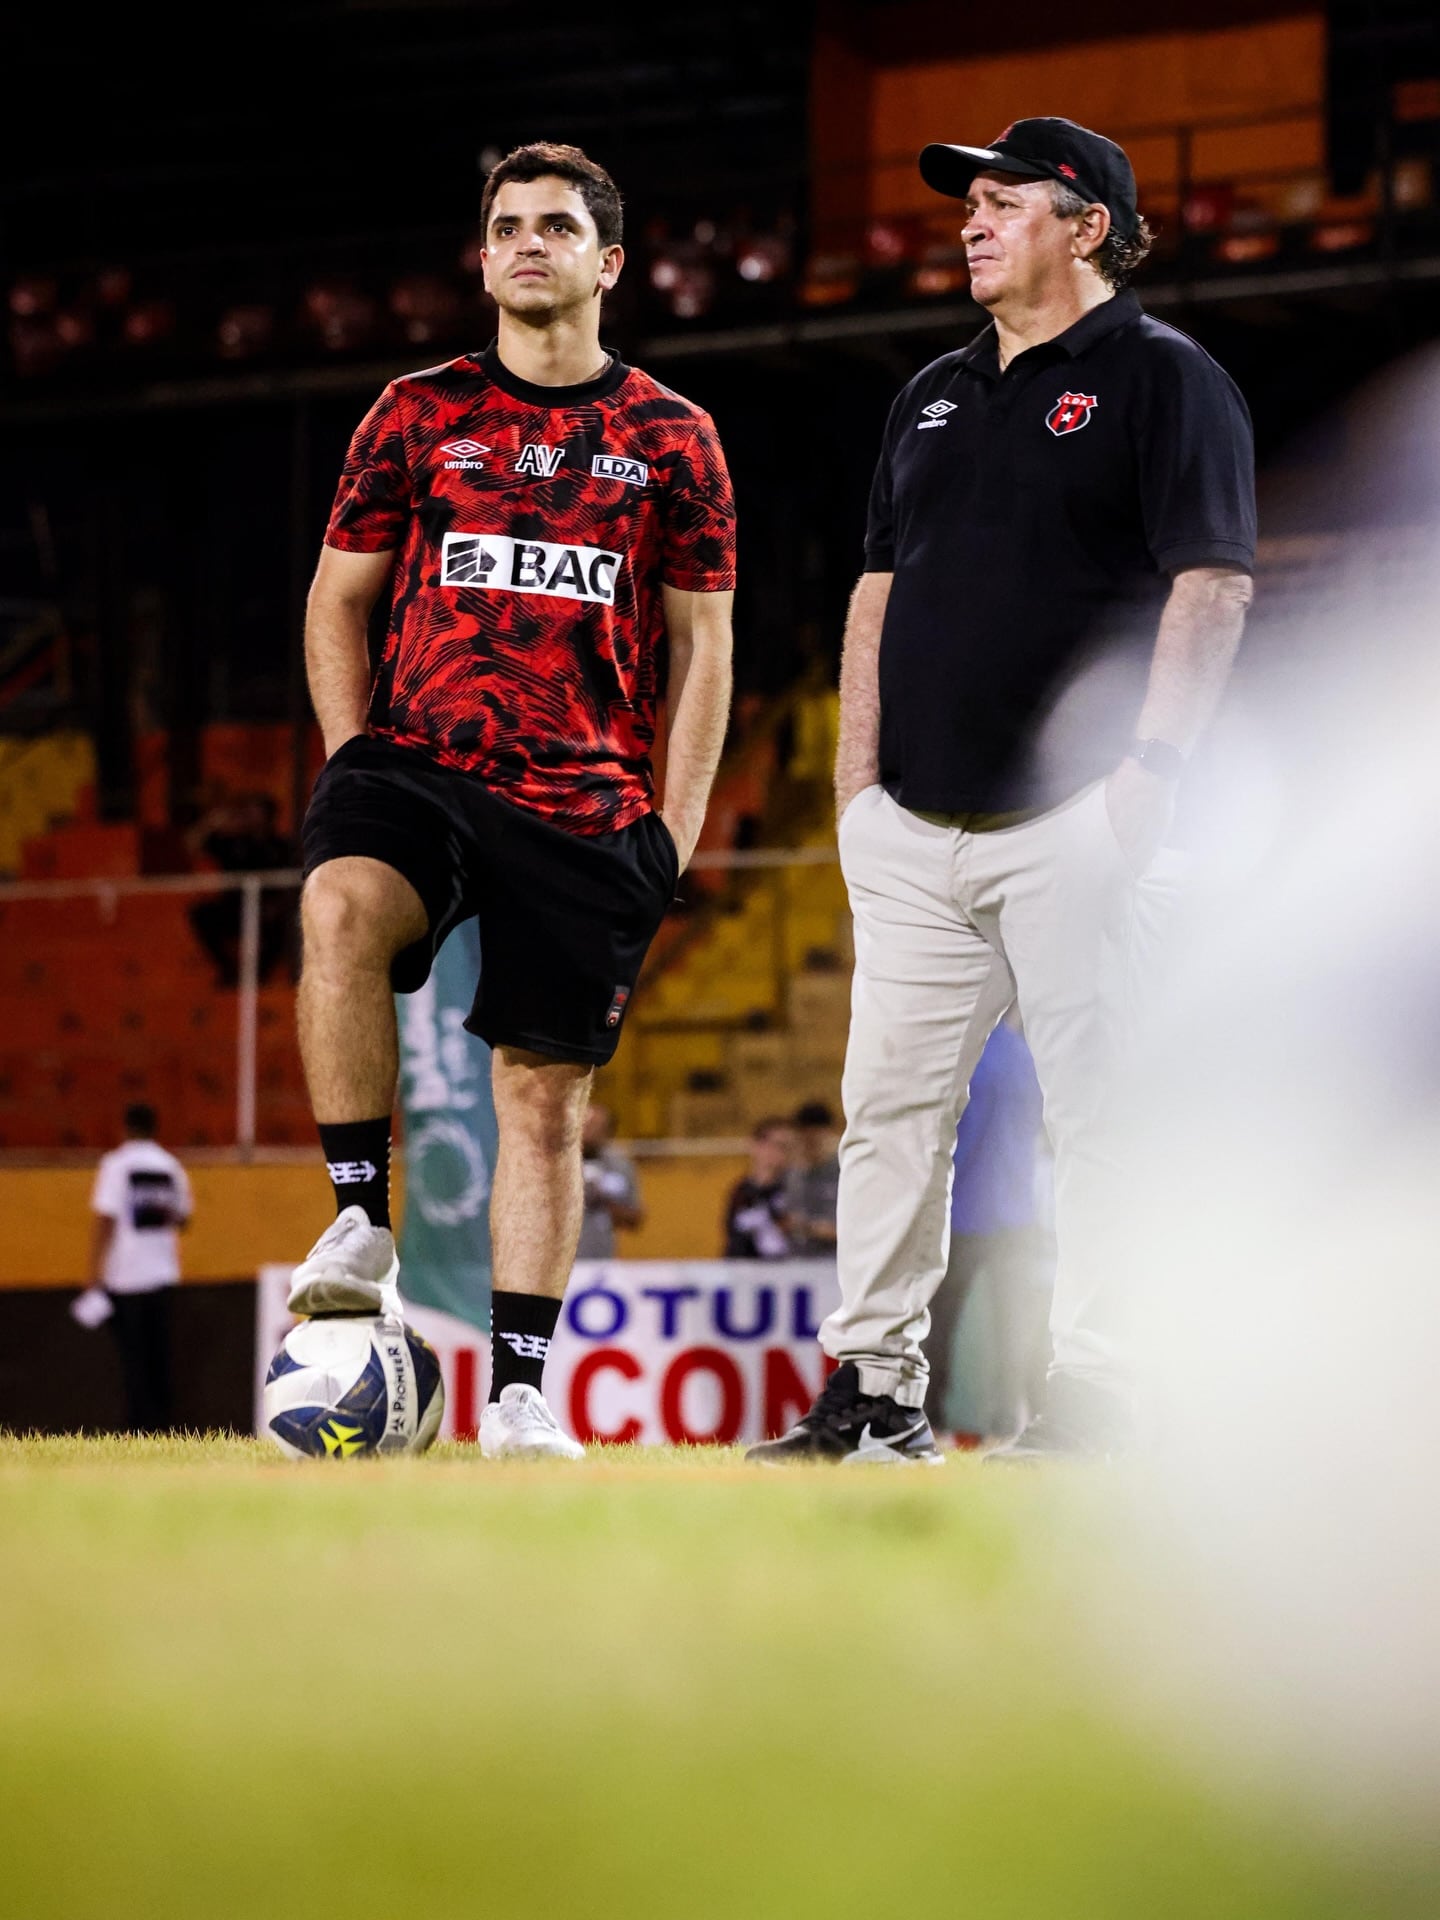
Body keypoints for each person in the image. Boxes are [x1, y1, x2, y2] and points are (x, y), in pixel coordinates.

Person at [749, 117, 1255, 1466]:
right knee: (887, 1120)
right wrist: (856, 781)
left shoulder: (1166, 379)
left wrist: (1151, 774)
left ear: (1086, 225)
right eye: (964, 207)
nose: (968, 225)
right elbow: (876, 590)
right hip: (913, 827)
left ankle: (1095, 1396)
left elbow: (1212, 582)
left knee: (1103, 1120)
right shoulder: (931, 391)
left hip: (1077, 819)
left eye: (1002, 203)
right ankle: (872, 1397)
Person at [286, 142, 736, 1461]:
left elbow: (705, 647)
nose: (527, 244)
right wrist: (347, 753)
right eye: (506, 226)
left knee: (542, 1099)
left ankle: (522, 1394)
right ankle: (363, 1216)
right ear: (483, 260)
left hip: (587, 794)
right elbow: (336, 600)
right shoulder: (413, 412)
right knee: (339, 904)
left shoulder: (674, 438)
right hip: (423, 757)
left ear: (608, 263)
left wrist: (674, 830)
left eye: (555, 226)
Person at [922, 1020, 1049, 1442]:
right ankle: (1015, 1424)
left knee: (939, 1326)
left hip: (963, 1213)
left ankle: (931, 1421)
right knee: (1018, 1329)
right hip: (1017, 1214)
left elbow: (952, 1134)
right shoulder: (1026, 1056)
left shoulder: (962, 1050)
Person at [85, 1103, 193, 1433]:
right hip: (162, 1274)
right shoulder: (171, 1167)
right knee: (160, 1358)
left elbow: (106, 1218)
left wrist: (93, 1273)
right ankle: (162, 1427)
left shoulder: (116, 1165)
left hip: (126, 1277)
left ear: (124, 1127)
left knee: (133, 1360)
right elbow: (184, 1218)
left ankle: (136, 1429)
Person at [187, 791, 296, 987]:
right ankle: (229, 970)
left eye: (256, 811)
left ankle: (260, 976)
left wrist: (277, 905)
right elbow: (192, 844)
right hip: (233, 908)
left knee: (287, 922)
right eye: (248, 812)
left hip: (268, 911)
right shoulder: (232, 842)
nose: (251, 817)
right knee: (201, 914)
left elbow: (292, 881)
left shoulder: (281, 846)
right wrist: (212, 822)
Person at [576, 1102, 643, 1259]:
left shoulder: (619, 1166)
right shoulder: (555, 1166)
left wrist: (603, 1200)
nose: (588, 1132)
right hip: (558, 1266)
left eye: (596, 1127)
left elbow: (635, 1218)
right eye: (584, 1125)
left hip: (602, 1261)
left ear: (608, 1132)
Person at [723, 1115, 796, 1258]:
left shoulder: (794, 1189)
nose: (783, 1153)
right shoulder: (740, 1191)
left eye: (789, 1147)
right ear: (756, 1145)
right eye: (779, 1145)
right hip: (745, 1272)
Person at [783, 1100, 839, 1255]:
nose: (811, 1146)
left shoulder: (844, 1170)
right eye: (806, 1140)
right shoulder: (793, 1175)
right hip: (801, 1261)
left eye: (816, 1140)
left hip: (837, 1261)